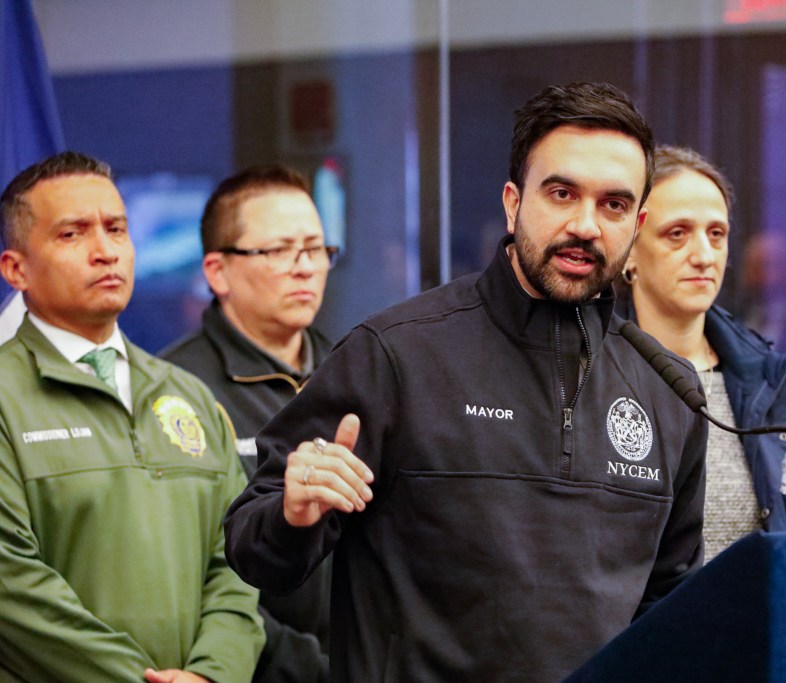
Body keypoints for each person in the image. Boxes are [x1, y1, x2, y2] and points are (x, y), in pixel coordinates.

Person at [223, 82, 707, 682]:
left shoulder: (667, 391)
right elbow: (253, 549)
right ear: (512, 203)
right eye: (561, 193)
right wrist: (292, 513)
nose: (585, 224)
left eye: (612, 205)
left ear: (635, 224)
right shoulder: (397, 355)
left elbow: (673, 607)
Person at [0, 151, 263, 682]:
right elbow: (11, 587)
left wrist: (214, 673)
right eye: (72, 234)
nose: (105, 251)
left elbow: (235, 564)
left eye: (116, 229)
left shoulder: (185, 393)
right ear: (15, 268)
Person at [161, 165, 336, 682]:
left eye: (317, 249)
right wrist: (304, 667)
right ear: (217, 272)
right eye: (280, 250)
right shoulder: (175, 390)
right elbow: (193, 571)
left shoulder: (355, 370)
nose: (305, 268)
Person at [619, 145, 786, 561]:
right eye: (677, 233)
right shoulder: (591, 374)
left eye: (716, 234)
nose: (704, 256)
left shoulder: (771, 379)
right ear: (629, 252)